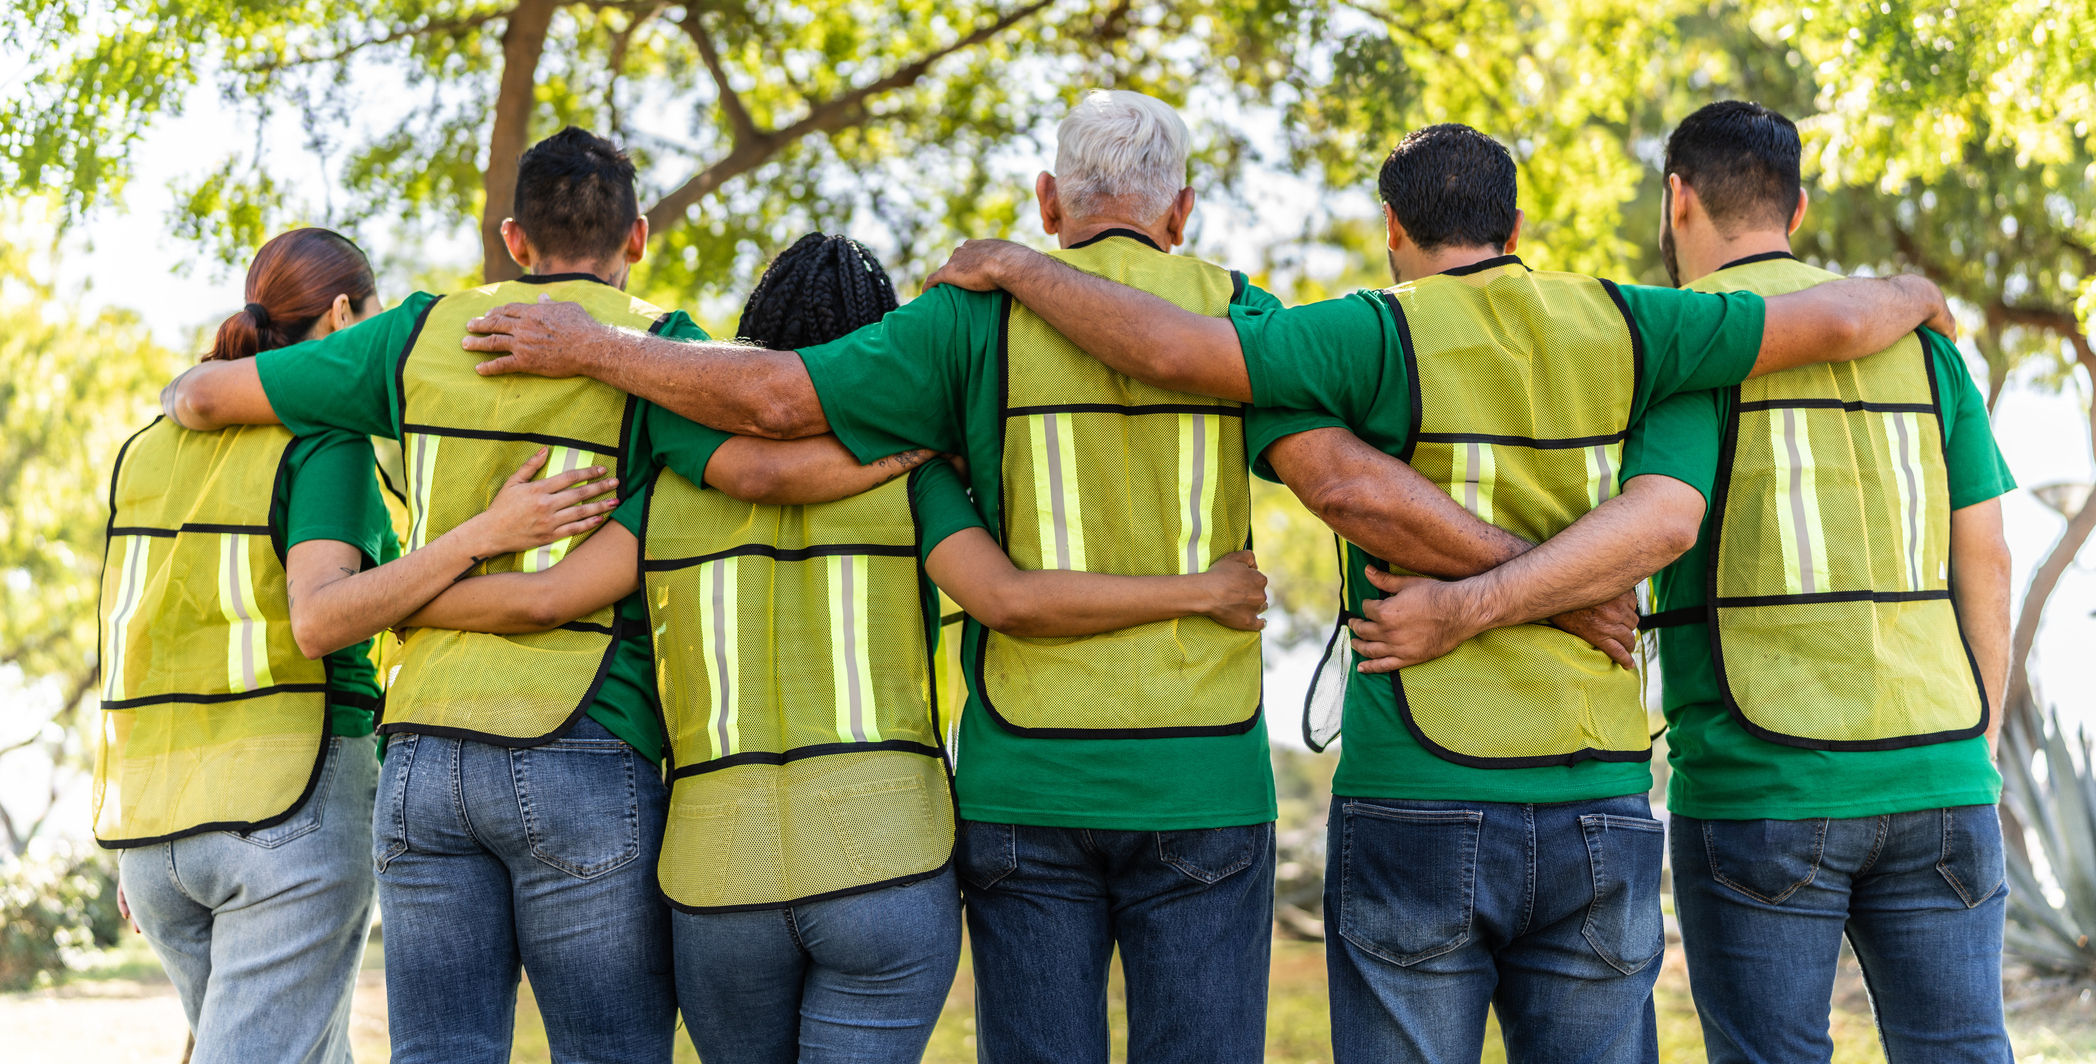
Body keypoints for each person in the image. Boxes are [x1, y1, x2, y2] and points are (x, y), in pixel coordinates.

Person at [458, 94, 1499, 1063]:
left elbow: (774, 401)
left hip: (1020, 791)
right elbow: (1350, 487)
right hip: (1203, 782)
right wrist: (1526, 575)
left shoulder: (968, 324)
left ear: (1048, 205)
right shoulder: (1242, 318)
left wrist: (593, 344)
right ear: (1180, 214)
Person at [918, 121, 1960, 1064]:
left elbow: (1170, 351)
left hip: (1415, 780)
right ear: (1513, 224)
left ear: (1390, 226)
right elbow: (1826, 325)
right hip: (1591, 785)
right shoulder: (1629, 324)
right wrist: (1911, 294)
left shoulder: (1363, 333)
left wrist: (1016, 262)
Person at [404, 232, 1272, 1064]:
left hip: (716, 879)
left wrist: (407, 597)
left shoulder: (671, 485)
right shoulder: (919, 476)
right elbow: (1009, 598)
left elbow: (545, 598)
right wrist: (1201, 591)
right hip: (885, 864)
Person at [160, 129, 692, 1062]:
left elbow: (203, 400)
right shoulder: (668, 354)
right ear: (637, 238)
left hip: (424, 762)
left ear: (514, 239)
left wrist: (392, 598)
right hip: (585, 743)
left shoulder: (416, 333)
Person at [100, 228, 592, 1063]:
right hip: (286, 808)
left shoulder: (147, 450)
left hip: (156, 831)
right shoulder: (321, 436)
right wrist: (486, 532)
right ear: (340, 317)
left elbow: (136, 638)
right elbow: (321, 619)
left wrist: (142, 839)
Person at [1618, 101, 2013, 1063]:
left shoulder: (1692, 350)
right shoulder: (1924, 350)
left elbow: (1652, 529)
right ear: (1797, 209)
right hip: (1942, 767)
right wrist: (1978, 742)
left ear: (1679, 201)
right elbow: (1988, 558)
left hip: (1765, 784)